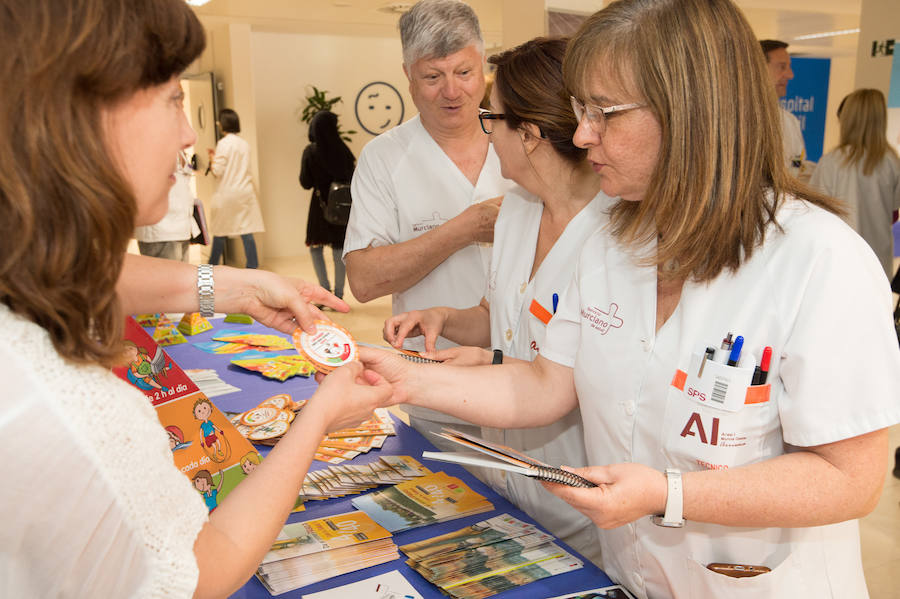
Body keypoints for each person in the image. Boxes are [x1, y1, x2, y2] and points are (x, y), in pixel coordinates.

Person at [359, 0, 900, 596]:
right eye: (578, 112)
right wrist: (399, 379)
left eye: (603, 114)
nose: (583, 134)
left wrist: (667, 493)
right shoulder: (610, 240)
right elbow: (542, 385)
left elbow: (849, 479)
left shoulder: (819, 261)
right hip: (628, 575)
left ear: (691, 112)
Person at [0, 2, 390, 598]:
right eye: (170, 99)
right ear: (84, 115)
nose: (188, 136)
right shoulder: (69, 406)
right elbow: (200, 570)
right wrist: (317, 421)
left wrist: (234, 287)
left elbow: (80, 273)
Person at [383, 37, 606, 565]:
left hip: (583, 505)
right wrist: (444, 318)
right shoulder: (516, 213)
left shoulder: (611, 236)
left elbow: (576, 380)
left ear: (528, 133)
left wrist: (430, 376)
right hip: (504, 481)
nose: (486, 132)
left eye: (492, 117)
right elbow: (498, 318)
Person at [343, 0, 515, 445]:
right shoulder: (385, 159)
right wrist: (462, 229)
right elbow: (363, 281)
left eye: (464, 72)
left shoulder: (521, 138)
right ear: (408, 74)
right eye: (433, 77)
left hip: (525, 375)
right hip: (436, 384)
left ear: (482, 61)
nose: (452, 92)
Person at [810, 88, 900, 280]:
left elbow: (815, 211)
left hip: (841, 255)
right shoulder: (891, 161)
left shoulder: (832, 161)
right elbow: (894, 214)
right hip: (878, 258)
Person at [300, 110, 355, 301]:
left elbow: (305, 182)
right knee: (339, 250)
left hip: (319, 207)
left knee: (316, 248)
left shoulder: (311, 151)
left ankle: (324, 291)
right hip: (340, 209)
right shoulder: (344, 150)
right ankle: (339, 295)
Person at [207, 108, 265, 269]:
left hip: (228, 192)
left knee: (220, 232)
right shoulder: (244, 144)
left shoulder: (223, 144)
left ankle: (210, 268)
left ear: (222, 124)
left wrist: (212, 159)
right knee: (246, 231)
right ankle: (252, 268)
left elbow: (217, 171)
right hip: (245, 192)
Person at [135, 149, 195, 262]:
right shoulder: (149, 143)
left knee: (183, 277)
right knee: (168, 278)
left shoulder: (179, 149)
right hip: (160, 230)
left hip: (182, 228)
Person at [760, 39, 808, 178]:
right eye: (782, 67)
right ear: (759, 67)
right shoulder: (733, 121)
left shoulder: (790, 122)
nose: (790, 75)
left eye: (789, 67)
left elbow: (797, 163)